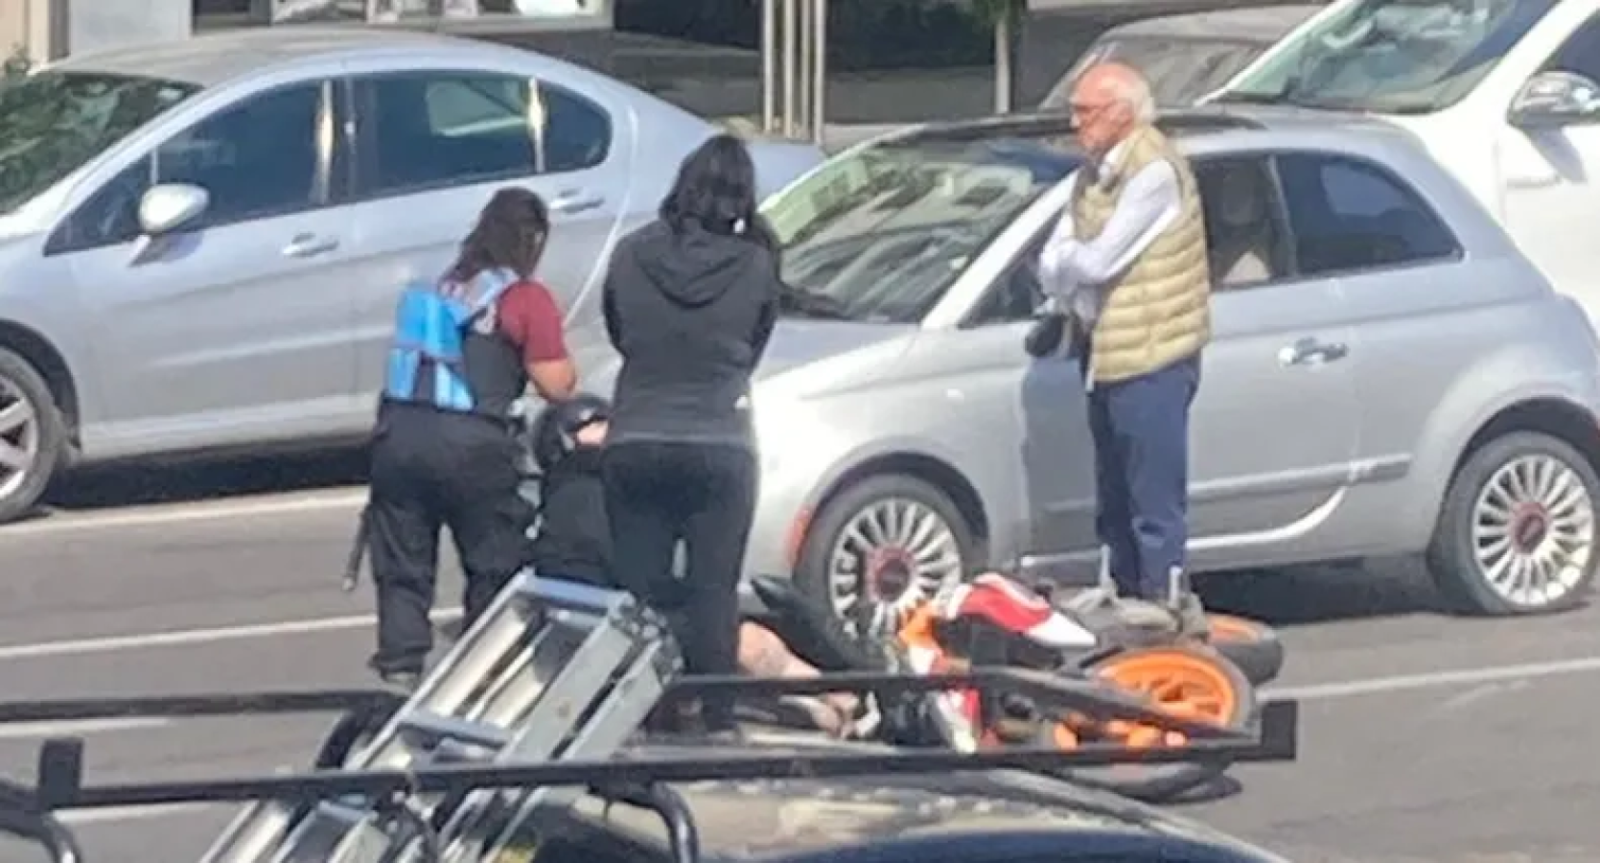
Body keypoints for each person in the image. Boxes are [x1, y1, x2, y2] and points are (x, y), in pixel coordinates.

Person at [527, 398, 865, 737]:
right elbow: (634, 569)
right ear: (571, 439)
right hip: (617, 623)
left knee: (729, 627)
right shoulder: (588, 496)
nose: (613, 431)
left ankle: (825, 709)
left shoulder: (569, 494)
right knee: (743, 638)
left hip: (599, 618)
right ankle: (844, 698)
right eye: (599, 425)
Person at [598, 134, 784, 736]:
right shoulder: (756, 263)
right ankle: (718, 714)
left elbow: (620, 332)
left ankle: (647, 709)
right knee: (714, 588)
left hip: (637, 433)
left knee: (640, 590)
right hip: (719, 438)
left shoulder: (629, 255)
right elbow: (755, 342)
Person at [366, 187, 577, 689]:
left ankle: (400, 663)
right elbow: (556, 384)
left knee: (403, 558)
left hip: (399, 435)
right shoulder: (524, 298)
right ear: (533, 240)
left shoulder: (440, 289)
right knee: (492, 557)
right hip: (472, 442)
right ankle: (484, 662)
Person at [1036, 63, 1211, 625]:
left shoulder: (1153, 170)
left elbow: (1099, 259)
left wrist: (1072, 266)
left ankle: (1164, 596)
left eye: (1084, 111)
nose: (1074, 122)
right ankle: (1121, 590)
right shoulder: (1092, 174)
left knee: (1152, 488)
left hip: (1153, 352)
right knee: (1112, 485)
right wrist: (1071, 267)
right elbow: (1053, 261)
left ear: (1121, 113)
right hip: (1106, 349)